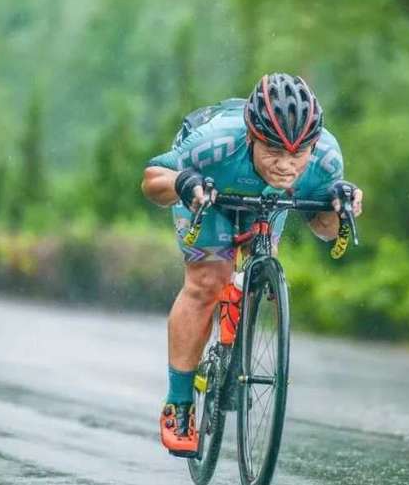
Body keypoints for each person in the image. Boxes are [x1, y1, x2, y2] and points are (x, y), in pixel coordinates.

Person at [141, 73, 364, 457]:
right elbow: (151, 182)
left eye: (298, 155)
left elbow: (324, 230)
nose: (286, 166)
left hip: (265, 201)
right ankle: (179, 403)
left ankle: (239, 311)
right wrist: (182, 183)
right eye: (273, 152)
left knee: (263, 266)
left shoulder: (326, 160)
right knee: (208, 280)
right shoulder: (214, 144)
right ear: (251, 137)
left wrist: (338, 208)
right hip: (207, 189)